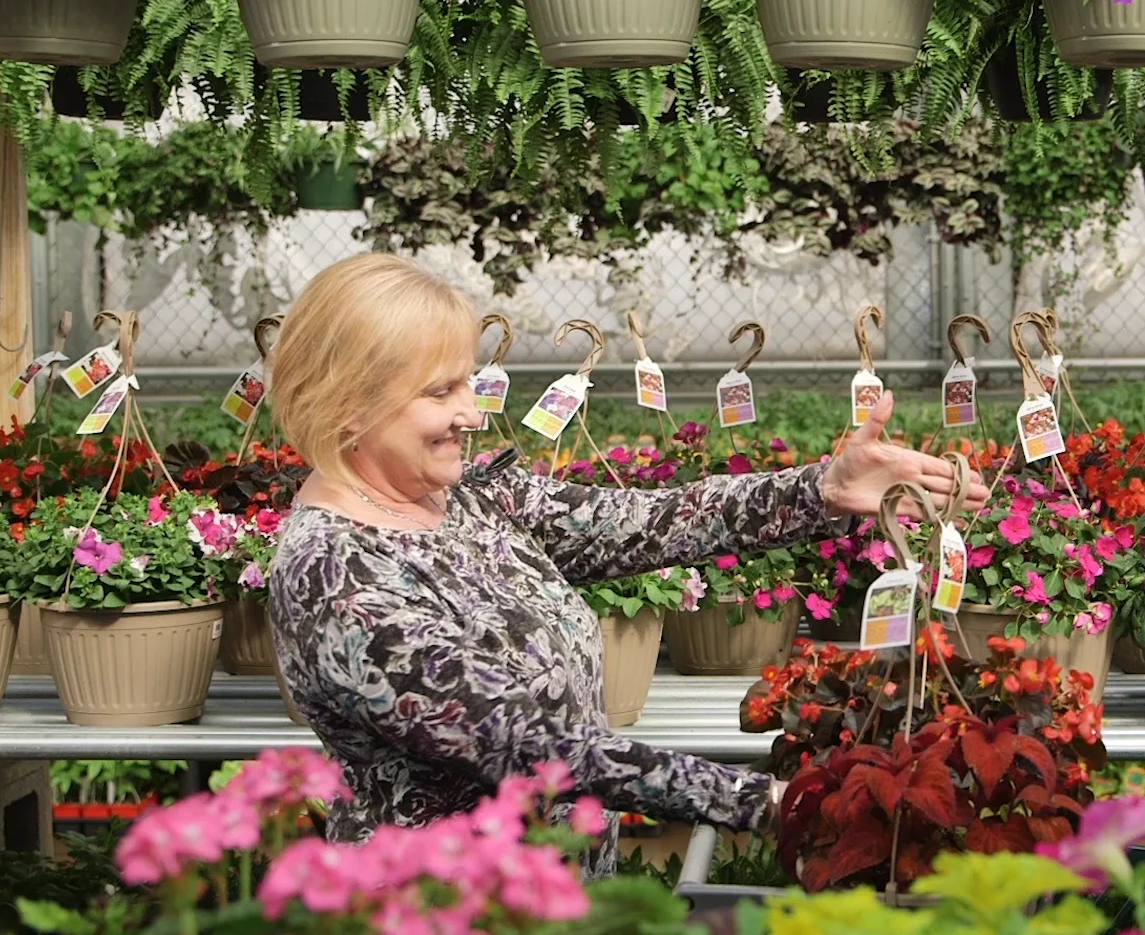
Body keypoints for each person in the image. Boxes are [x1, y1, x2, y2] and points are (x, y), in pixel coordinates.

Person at [266, 255, 987, 877]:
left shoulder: (466, 500)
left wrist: (822, 489)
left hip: (555, 894)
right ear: (348, 405)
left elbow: (649, 522)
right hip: (444, 904)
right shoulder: (336, 575)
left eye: (467, 384)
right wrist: (770, 801)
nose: (473, 413)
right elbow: (537, 749)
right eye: (439, 392)